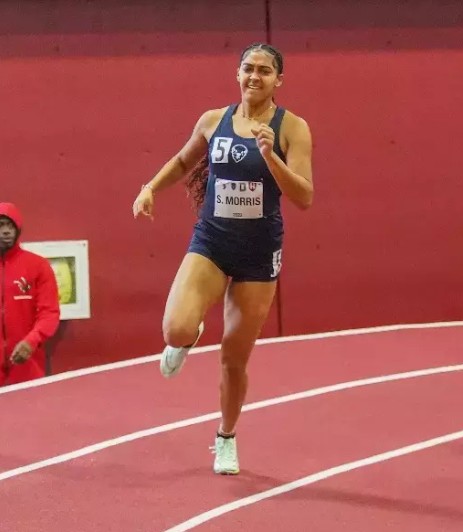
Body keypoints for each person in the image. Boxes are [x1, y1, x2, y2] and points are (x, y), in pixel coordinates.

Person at [132, 43, 314, 475]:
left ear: (278, 80)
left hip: (258, 254)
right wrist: (150, 188)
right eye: (248, 68)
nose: (255, 76)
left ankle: (226, 436)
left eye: (265, 71)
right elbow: (183, 162)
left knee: (234, 357)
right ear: (237, 73)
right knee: (174, 328)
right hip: (212, 242)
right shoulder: (213, 120)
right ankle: (187, 337)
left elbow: (304, 196)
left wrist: (271, 158)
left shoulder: (292, 128)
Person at [0, 202, 61, 386]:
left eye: (10, 226)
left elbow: (49, 312)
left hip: (27, 366)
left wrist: (31, 341)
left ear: (18, 229)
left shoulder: (38, 266)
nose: (6, 231)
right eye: (1, 225)